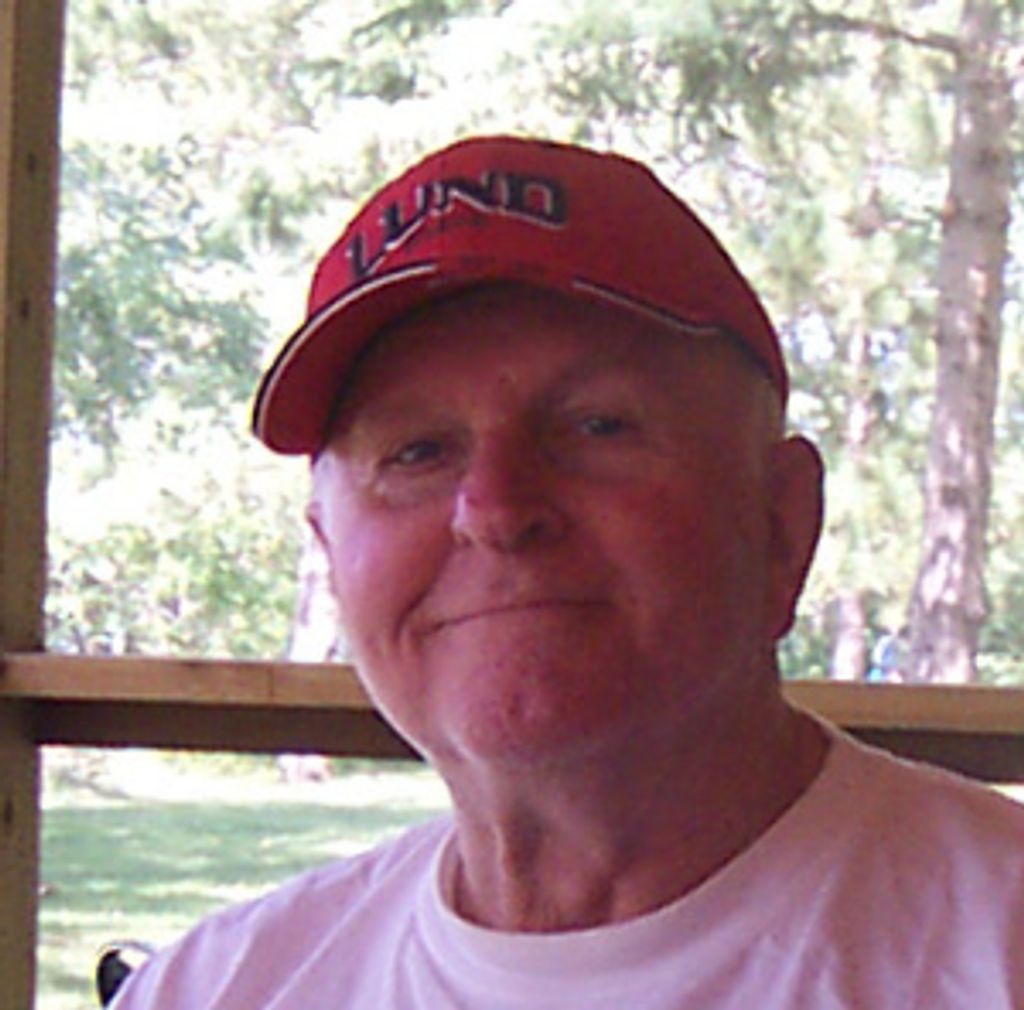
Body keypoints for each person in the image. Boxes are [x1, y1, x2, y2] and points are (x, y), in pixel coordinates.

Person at [111, 136, 1024, 1009]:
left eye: (597, 426)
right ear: (330, 555)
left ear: (783, 522)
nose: (495, 509)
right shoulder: (214, 991)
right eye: (417, 450)